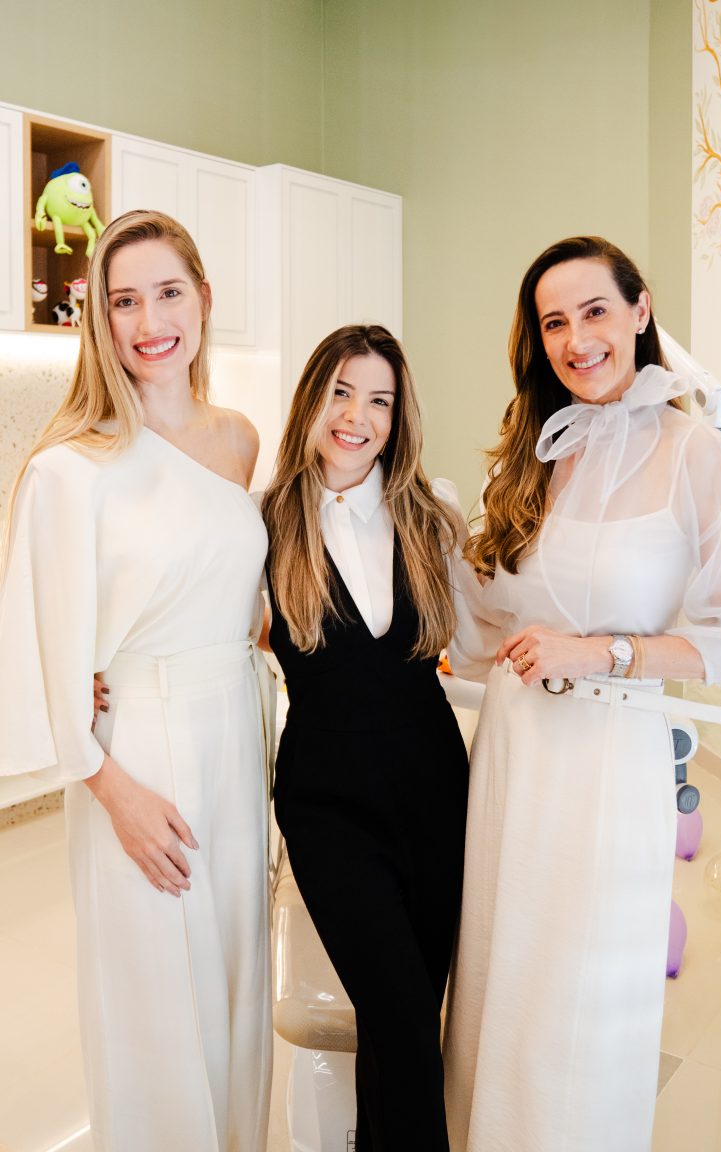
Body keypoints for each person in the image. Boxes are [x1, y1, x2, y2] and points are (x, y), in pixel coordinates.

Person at [441, 236, 721, 1152]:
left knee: (577, 996)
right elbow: (484, 626)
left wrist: (604, 653)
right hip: (514, 753)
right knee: (499, 973)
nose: (576, 340)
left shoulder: (698, 457)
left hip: (607, 761)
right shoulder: (534, 455)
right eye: (554, 323)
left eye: (594, 312)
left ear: (640, 309)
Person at [0, 210, 273, 1152]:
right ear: (99, 320)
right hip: (139, 751)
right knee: (153, 997)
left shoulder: (240, 440)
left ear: (204, 300)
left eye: (168, 293)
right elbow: (38, 645)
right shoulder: (70, 468)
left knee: (237, 981)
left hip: (236, 735)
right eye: (124, 301)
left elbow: (234, 592)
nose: (150, 321)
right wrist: (111, 790)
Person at [261, 324, 469, 1152]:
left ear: (398, 416)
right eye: (341, 393)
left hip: (434, 792)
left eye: (379, 400)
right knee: (403, 1015)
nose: (357, 417)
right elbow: (199, 626)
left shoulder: (432, 513)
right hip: (328, 805)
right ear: (310, 402)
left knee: (408, 1017)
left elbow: (485, 636)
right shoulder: (265, 523)